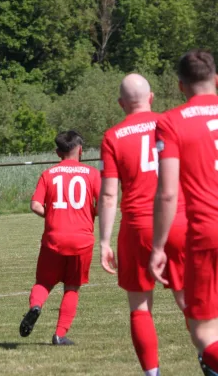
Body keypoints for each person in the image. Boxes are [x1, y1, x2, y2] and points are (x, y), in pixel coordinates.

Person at [99, 74, 187, 376]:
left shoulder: (113, 136)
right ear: (151, 97)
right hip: (177, 220)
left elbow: (109, 195)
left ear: (121, 103)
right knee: (190, 301)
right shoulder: (173, 123)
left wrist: (104, 242)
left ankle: (152, 374)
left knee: (139, 307)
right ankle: (210, 358)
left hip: (137, 226)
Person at [150, 49, 218, 375]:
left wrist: (159, 246)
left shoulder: (171, 121)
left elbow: (167, 192)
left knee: (204, 331)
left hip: (207, 231)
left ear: (180, 86)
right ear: (216, 79)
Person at [19, 131, 100, 345]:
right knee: (72, 287)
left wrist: (54, 214)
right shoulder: (92, 173)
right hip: (82, 240)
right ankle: (59, 334)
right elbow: (102, 206)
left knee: (44, 283)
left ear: (57, 152)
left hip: (54, 238)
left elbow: (35, 205)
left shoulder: (49, 174)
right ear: (80, 149)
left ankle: (36, 307)